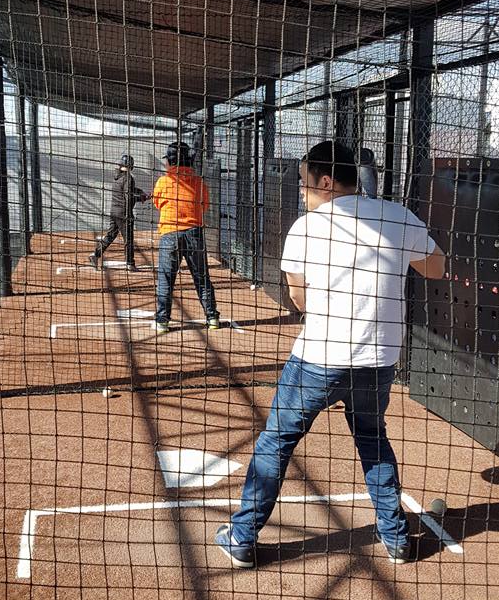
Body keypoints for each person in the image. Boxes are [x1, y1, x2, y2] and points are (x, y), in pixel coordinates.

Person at [215, 140, 445, 568]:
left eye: (305, 184)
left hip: (319, 359)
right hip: (378, 361)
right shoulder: (395, 216)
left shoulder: (306, 227)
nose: (302, 192)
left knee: (277, 441)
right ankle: (396, 537)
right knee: (372, 439)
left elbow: (298, 298)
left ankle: (242, 536)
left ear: (325, 181)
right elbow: (436, 267)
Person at [152, 141, 219, 334]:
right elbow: (204, 205)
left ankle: (162, 321)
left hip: (169, 234)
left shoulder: (164, 181)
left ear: (171, 161)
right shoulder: (198, 182)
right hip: (194, 233)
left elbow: (157, 203)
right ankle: (212, 317)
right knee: (201, 277)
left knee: (166, 279)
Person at [88, 154, 148, 271]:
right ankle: (130, 264)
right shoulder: (128, 178)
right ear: (131, 166)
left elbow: (127, 190)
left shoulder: (117, 177)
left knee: (110, 235)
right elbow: (128, 197)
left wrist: (140, 192)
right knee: (128, 239)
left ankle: (95, 255)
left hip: (114, 212)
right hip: (124, 214)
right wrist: (141, 198)